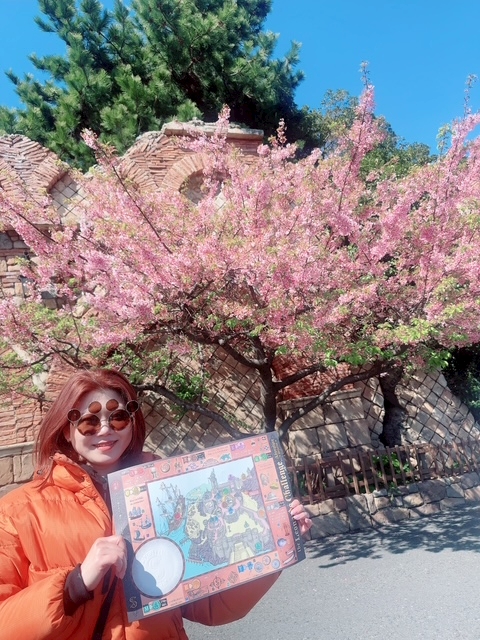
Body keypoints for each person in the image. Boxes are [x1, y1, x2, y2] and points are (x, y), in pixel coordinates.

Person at [0, 368, 312, 640]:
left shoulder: (165, 497)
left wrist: (274, 549)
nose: (105, 429)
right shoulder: (19, 512)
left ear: (132, 423)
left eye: (118, 417)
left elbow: (211, 606)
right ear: (67, 431)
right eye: (89, 422)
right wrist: (75, 584)